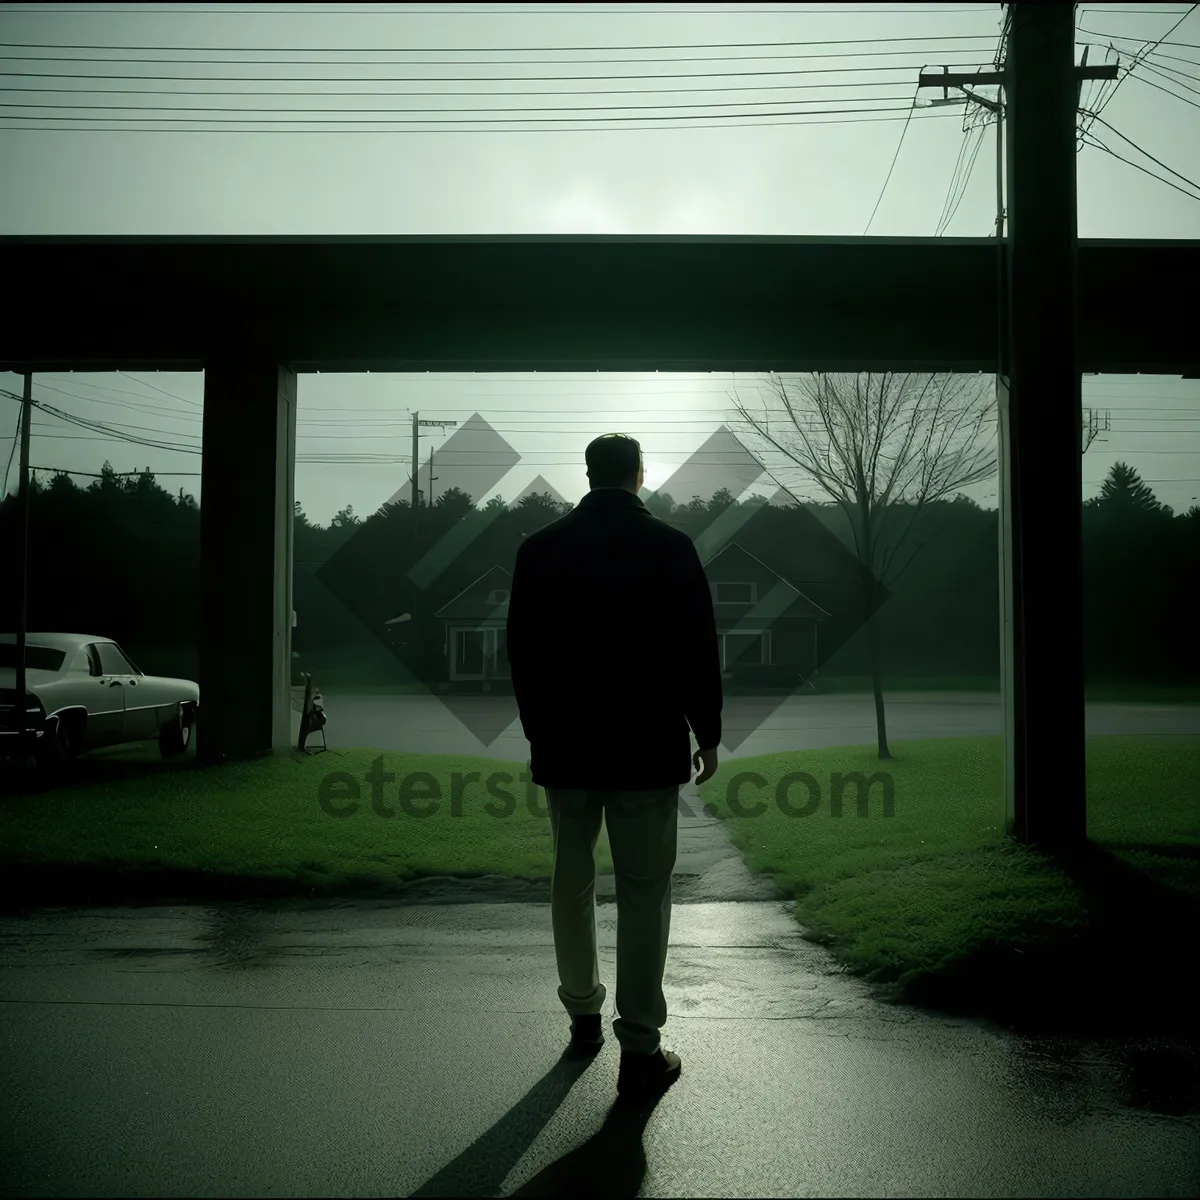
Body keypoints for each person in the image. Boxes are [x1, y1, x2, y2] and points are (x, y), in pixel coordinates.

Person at [506, 432, 722, 1097]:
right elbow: (696, 648)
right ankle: (641, 1047)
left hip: (568, 749)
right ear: (638, 475)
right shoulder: (671, 547)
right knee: (643, 892)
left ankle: (582, 1016)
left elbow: (522, 652)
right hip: (646, 748)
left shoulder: (540, 550)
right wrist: (706, 733)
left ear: (589, 474)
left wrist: (541, 733)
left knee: (570, 882)